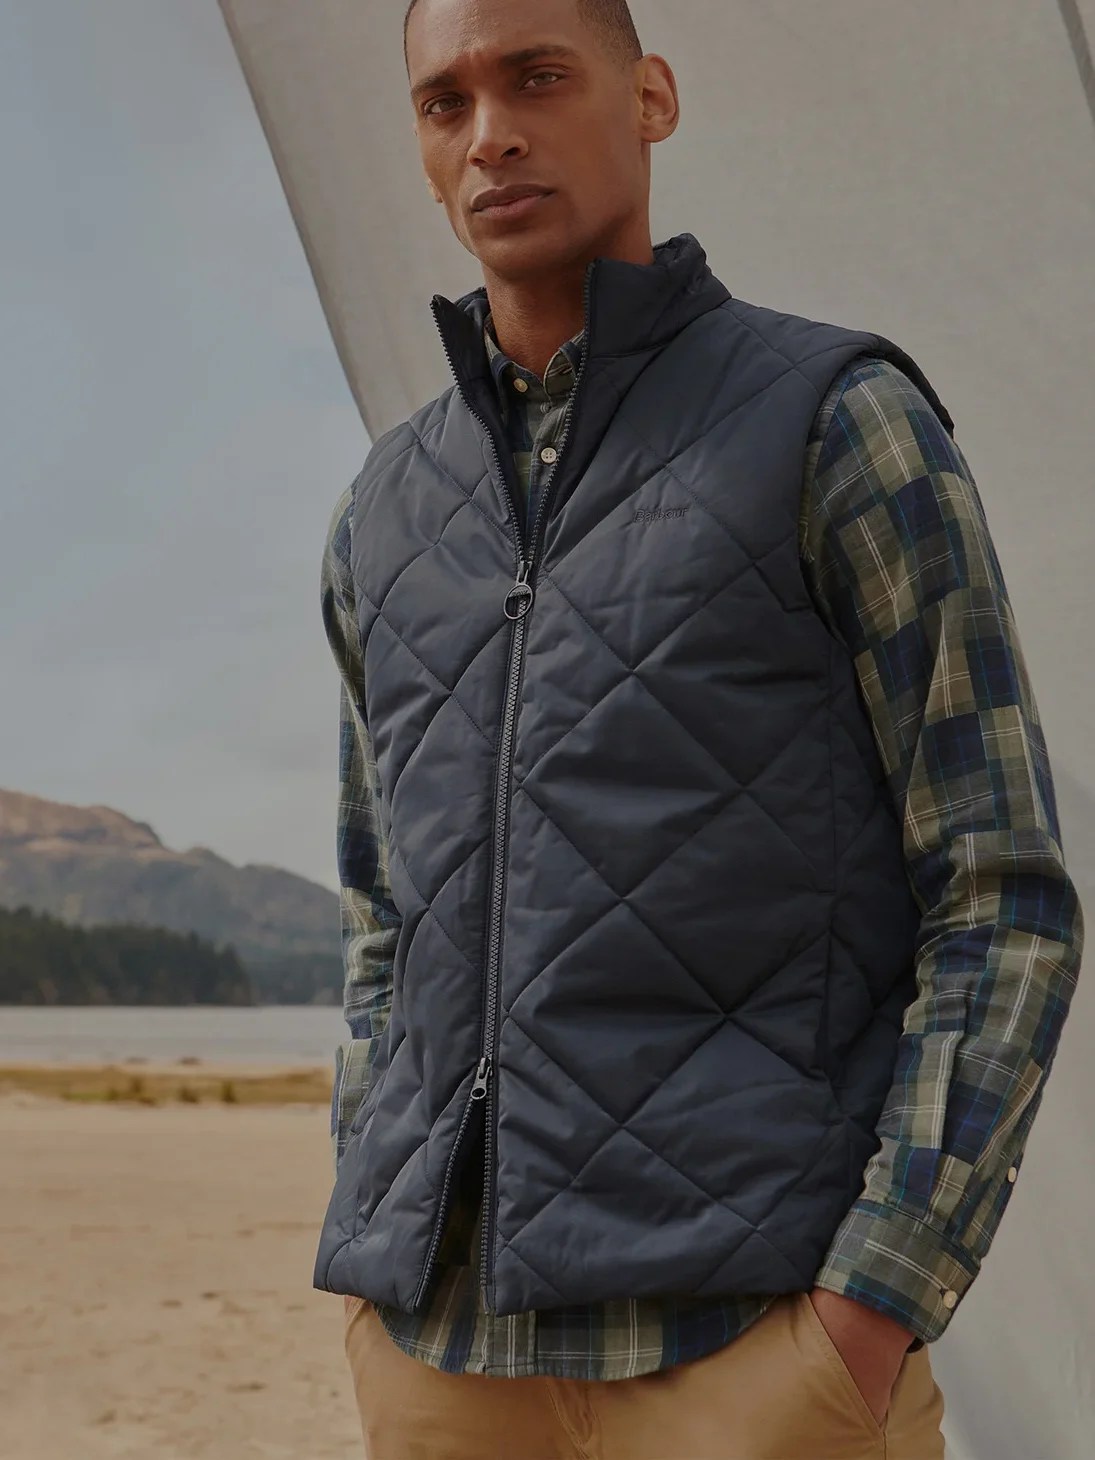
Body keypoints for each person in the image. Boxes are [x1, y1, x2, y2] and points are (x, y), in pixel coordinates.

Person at [312, 0, 1085, 1455]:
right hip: (441, 1366)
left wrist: (879, 1297)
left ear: (651, 97)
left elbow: (1000, 891)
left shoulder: (837, 421)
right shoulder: (382, 514)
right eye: (445, 102)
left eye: (538, 76)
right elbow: (380, 924)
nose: (491, 134)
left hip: (755, 1359)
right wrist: (368, 1220)